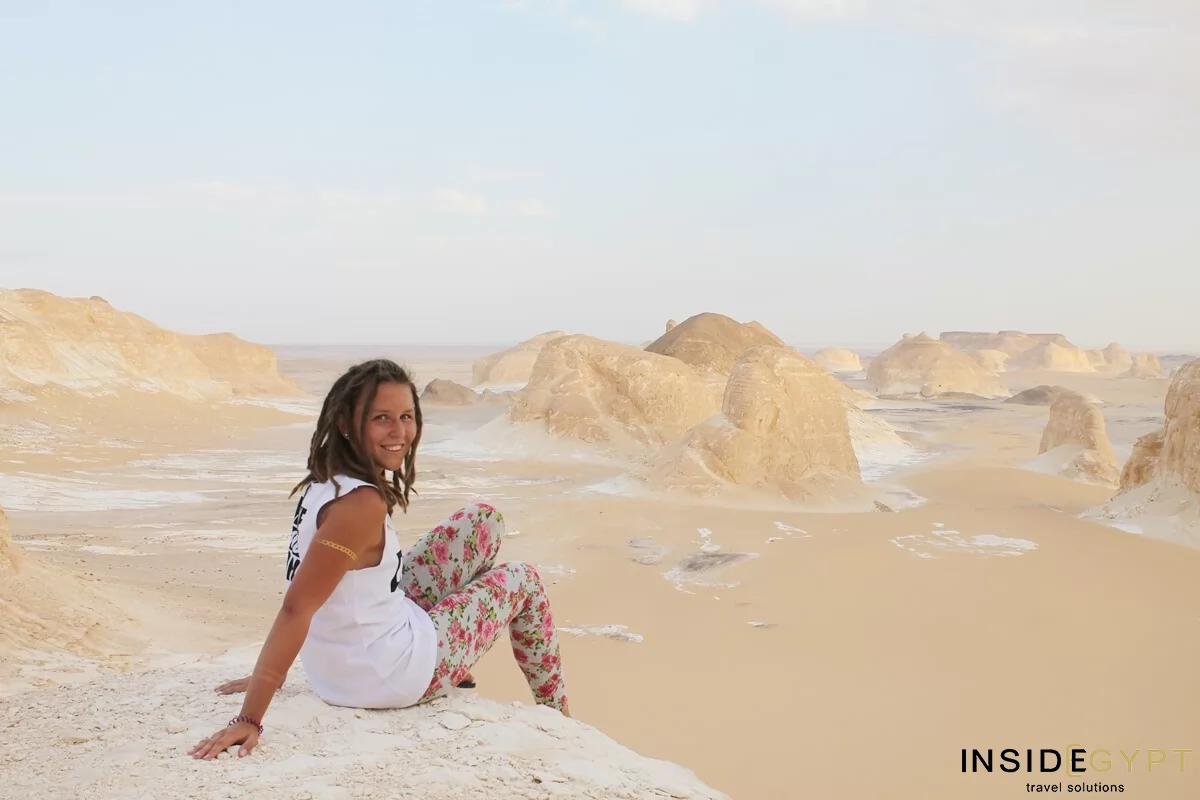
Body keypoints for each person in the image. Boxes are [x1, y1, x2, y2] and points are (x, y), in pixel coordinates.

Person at [189, 358, 569, 760]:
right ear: (345, 423)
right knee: (523, 579)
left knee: (483, 521)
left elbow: (321, 586)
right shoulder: (361, 505)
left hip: (349, 657)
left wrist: (271, 676)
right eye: (381, 418)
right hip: (386, 676)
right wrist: (250, 715)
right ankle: (561, 721)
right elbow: (296, 607)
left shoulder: (327, 478)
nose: (399, 432)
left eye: (406, 416)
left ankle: (456, 658)